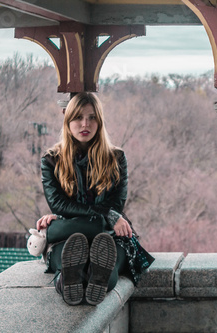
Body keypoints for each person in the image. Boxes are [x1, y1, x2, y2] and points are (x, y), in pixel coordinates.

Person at [36, 92, 154, 306]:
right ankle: (66, 281)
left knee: (106, 272)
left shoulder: (116, 158)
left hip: (108, 234)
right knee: (67, 254)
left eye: (92, 117)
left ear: (99, 122)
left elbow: (117, 202)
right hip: (72, 234)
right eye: (78, 117)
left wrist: (106, 216)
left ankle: (88, 278)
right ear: (68, 121)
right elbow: (59, 204)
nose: (85, 123)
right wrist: (106, 216)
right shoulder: (51, 160)